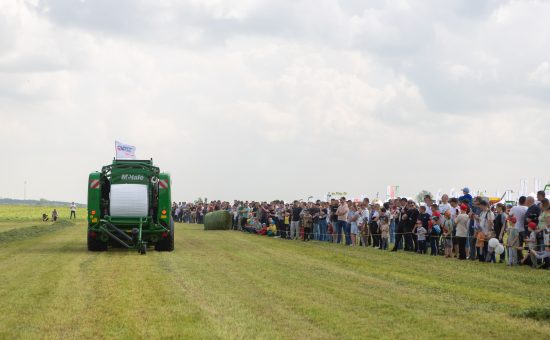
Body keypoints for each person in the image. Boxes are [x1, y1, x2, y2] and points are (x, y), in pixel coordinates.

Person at [509, 196, 527, 263]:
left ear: (519, 201)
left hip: (515, 228)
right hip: (524, 229)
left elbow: (510, 216)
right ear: (525, 201)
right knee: (527, 245)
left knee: (518, 245)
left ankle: (520, 259)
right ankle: (526, 259)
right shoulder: (526, 208)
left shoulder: (514, 207)